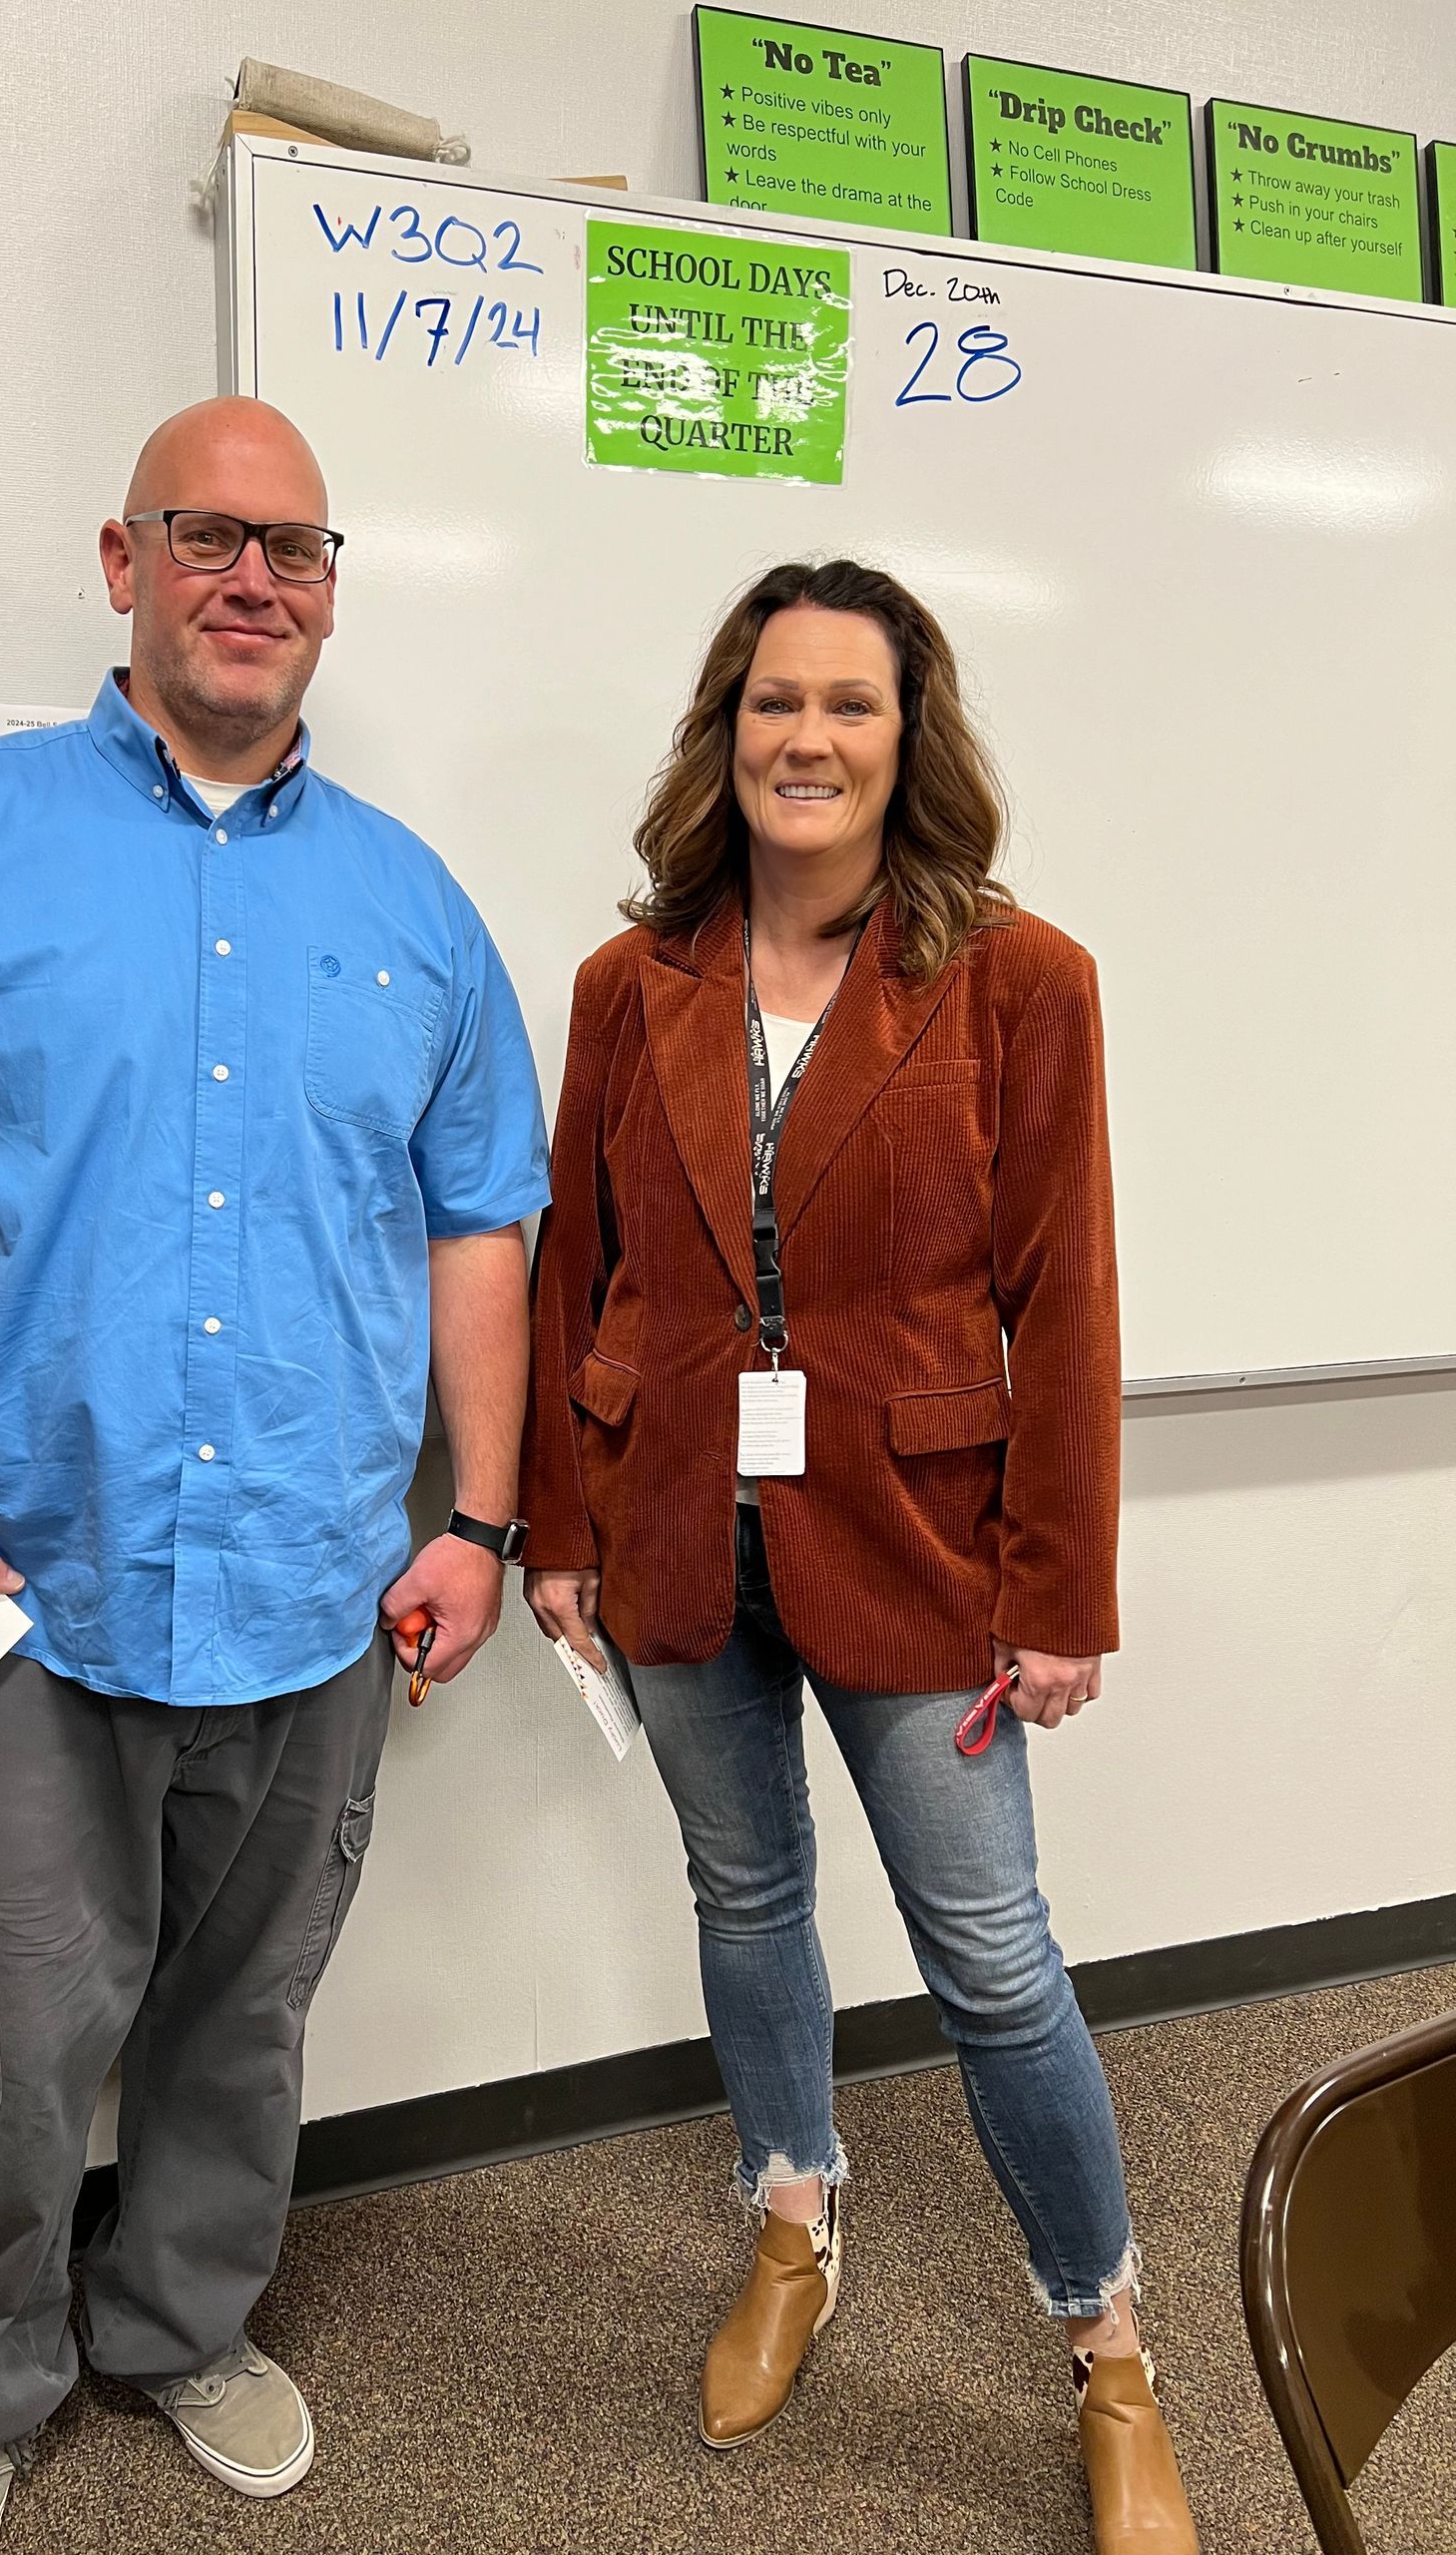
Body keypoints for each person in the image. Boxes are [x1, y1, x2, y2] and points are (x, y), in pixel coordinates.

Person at [0, 396, 548, 2555]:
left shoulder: (415, 905)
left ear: (332, 588)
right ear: (124, 558)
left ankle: (178, 2322)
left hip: (312, 1572)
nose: (254, 579)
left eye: (296, 547)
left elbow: (476, 1232)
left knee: (241, 2018)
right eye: (209, 536)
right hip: (18, 1586)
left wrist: (480, 1517)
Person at [520, 560, 1198, 2554]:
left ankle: (1110, 2347)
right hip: (669, 1534)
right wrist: (559, 1522)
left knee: (992, 1958)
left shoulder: (1021, 979)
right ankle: (793, 2210)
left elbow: (1064, 1299)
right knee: (747, 1897)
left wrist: (1061, 1591)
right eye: (772, 700)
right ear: (726, 728)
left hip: (920, 1544)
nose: (804, 736)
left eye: (850, 704)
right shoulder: (626, 979)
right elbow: (585, 1263)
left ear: (913, 741)